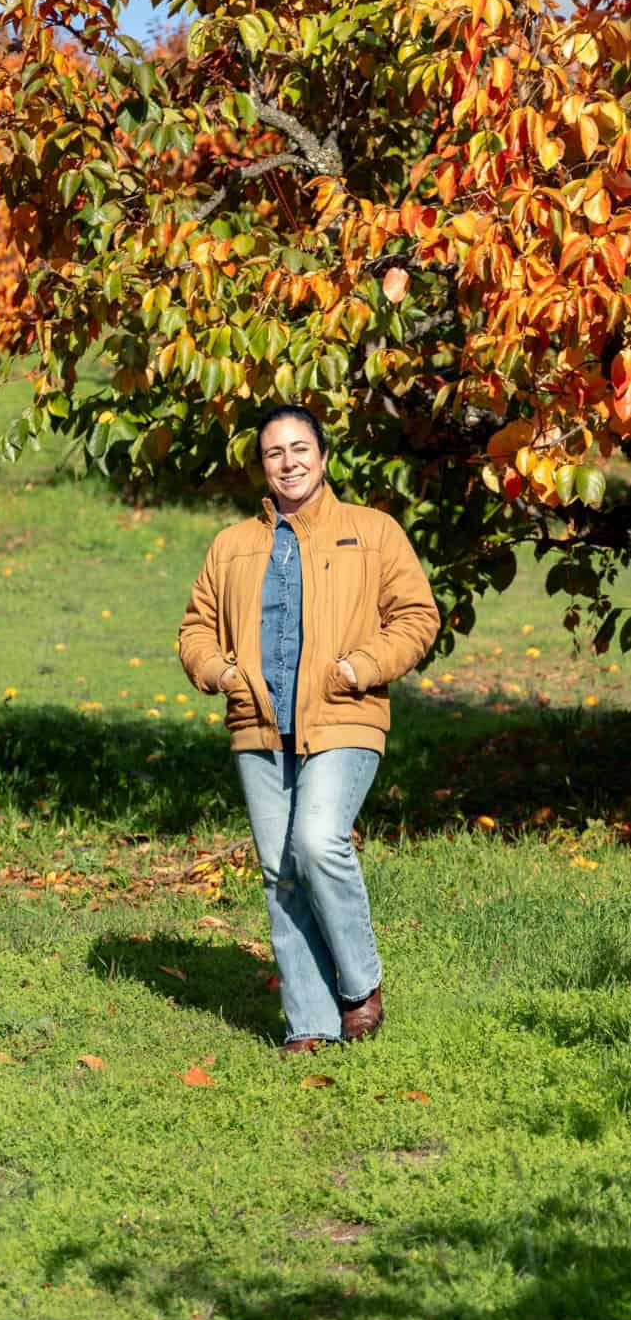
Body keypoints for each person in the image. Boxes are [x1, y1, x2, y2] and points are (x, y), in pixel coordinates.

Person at [178, 404, 439, 1053]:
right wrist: (223, 674)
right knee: (279, 872)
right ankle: (311, 1023)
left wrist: (361, 666)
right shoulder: (232, 544)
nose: (288, 462)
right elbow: (193, 630)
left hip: (344, 714)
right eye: (273, 453)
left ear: (322, 457)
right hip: (259, 727)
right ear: (261, 467)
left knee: (319, 841)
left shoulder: (371, 531)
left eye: (299, 449)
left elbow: (415, 616)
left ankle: (358, 986)